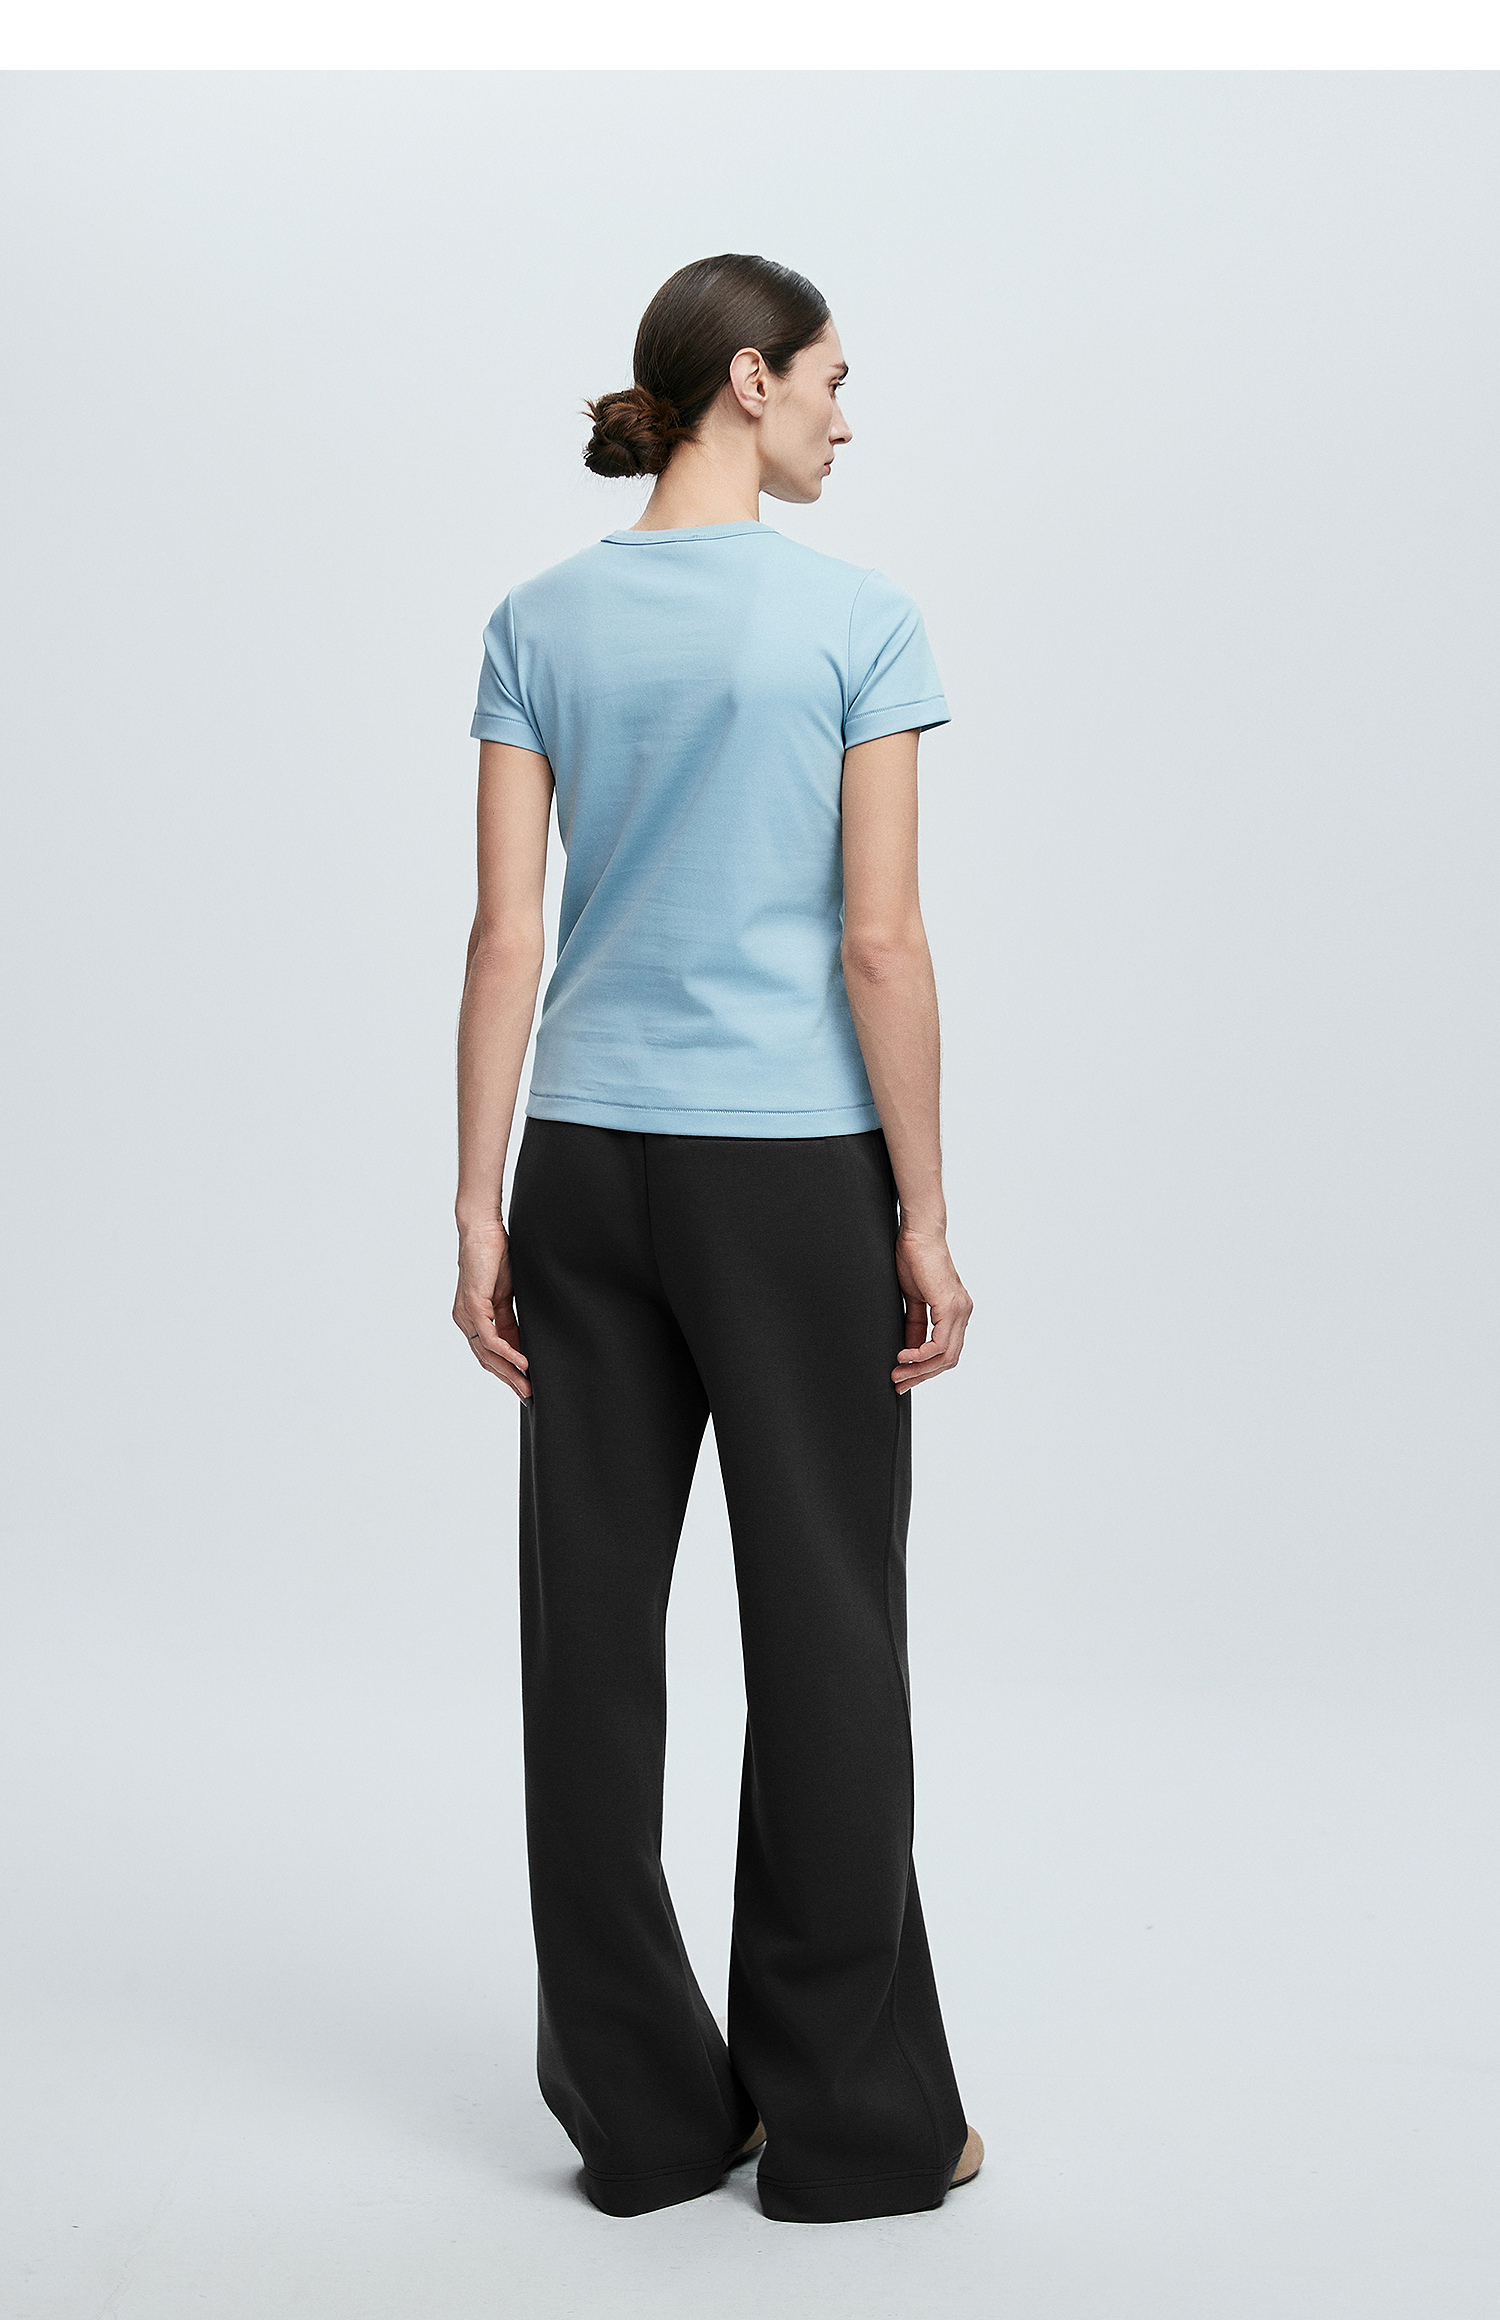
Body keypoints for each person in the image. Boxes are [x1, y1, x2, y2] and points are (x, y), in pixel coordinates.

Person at [453, 253, 981, 2226]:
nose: (849, 414)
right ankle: (851, 2123)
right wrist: (924, 1210)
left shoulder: (537, 619)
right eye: (834, 377)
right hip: (786, 1177)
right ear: (748, 382)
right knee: (827, 1626)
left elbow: (508, 933)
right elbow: (880, 942)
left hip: (585, 1163)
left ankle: (650, 2116)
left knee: (588, 1645)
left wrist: (477, 1200)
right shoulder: (855, 619)